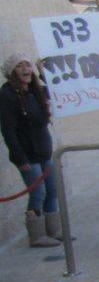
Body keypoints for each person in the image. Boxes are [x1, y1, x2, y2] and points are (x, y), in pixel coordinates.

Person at [1, 53, 62, 247]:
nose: (25, 69)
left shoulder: (35, 90)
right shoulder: (7, 95)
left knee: (51, 190)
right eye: (20, 66)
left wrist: (42, 72)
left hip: (44, 150)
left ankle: (53, 229)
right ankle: (36, 236)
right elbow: (8, 130)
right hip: (27, 155)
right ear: (12, 72)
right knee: (38, 193)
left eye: (27, 65)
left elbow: (54, 93)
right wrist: (20, 158)